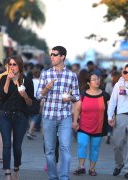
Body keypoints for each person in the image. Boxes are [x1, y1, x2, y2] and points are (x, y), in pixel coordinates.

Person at [36, 46, 79, 180]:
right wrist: (45, 89)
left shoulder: (72, 75)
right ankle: (53, 177)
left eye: (55, 54)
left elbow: (76, 96)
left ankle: (64, 176)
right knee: (49, 150)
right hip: (48, 116)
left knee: (65, 148)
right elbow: (38, 96)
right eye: (51, 54)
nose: (52, 57)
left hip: (64, 116)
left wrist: (70, 98)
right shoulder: (46, 74)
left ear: (62, 57)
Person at [0, 56, 34, 180]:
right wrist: (8, 80)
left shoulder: (27, 81)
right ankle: (8, 174)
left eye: (14, 64)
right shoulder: (2, 78)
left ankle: (16, 168)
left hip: (21, 117)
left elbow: (30, 103)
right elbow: (2, 96)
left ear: (20, 66)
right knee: (6, 144)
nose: (12, 67)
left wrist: (25, 96)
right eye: (10, 64)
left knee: (17, 147)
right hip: (5, 115)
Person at [72, 73, 110, 176]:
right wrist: (75, 121)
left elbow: (110, 109)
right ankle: (81, 167)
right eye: (94, 79)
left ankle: (92, 169)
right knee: (82, 145)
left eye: (98, 79)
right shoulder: (83, 95)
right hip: (84, 126)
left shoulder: (105, 95)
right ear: (89, 83)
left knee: (95, 148)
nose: (97, 81)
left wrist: (112, 118)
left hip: (98, 126)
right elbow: (77, 109)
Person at [105, 71, 120, 144]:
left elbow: (106, 94)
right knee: (118, 120)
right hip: (119, 104)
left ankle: (109, 133)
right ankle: (117, 135)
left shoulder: (108, 84)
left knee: (110, 119)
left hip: (110, 103)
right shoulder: (120, 85)